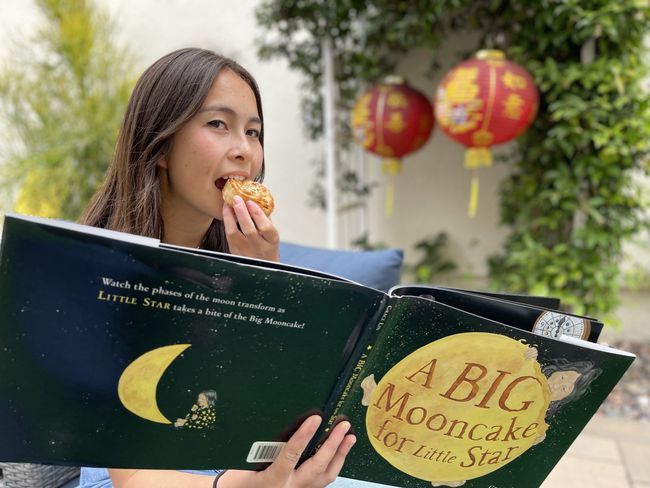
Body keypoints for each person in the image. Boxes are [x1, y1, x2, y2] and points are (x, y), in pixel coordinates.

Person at [78, 47, 356, 488]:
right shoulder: (103, 274)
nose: (245, 151)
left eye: (254, 131)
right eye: (218, 124)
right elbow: (129, 476)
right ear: (161, 143)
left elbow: (271, 409)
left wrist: (267, 285)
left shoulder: (235, 269)